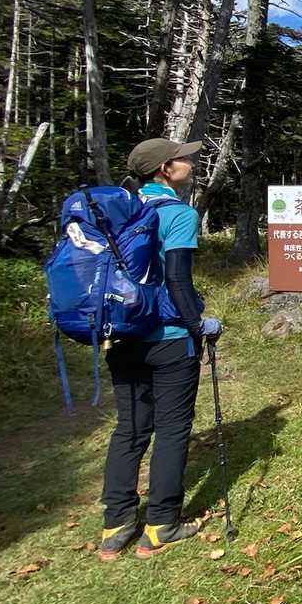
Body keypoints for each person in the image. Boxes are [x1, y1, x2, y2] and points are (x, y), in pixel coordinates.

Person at [98, 138, 224, 560]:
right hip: (169, 338)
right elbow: (177, 279)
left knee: (130, 429)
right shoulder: (178, 214)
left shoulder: (119, 211)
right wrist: (198, 324)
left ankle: (116, 525)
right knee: (171, 428)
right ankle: (161, 524)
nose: (190, 161)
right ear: (165, 169)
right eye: (182, 158)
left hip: (122, 335)